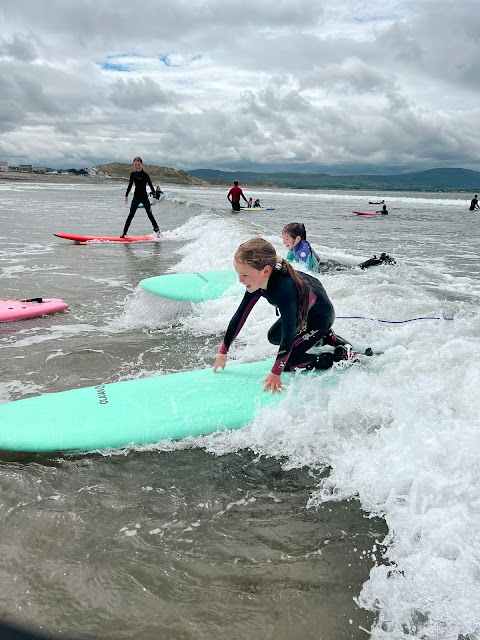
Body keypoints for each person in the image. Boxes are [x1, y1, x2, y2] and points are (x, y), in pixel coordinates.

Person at [213, 238, 353, 394]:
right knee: (273, 337)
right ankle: (326, 338)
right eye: (239, 274)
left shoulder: (284, 289)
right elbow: (240, 316)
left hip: (321, 317)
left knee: (287, 363)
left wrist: (275, 373)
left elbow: (289, 334)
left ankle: (337, 357)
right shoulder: (258, 282)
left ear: (265, 271)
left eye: (244, 275)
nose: (240, 280)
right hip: (305, 312)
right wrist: (223, 351)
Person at [122, 157, 159, 238]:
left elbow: (151, 187)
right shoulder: (133, 174)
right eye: (135, 165)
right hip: (136, 198)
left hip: (144, 198)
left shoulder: (145, 175)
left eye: (138, 165)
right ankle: (124, 233)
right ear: (133, 165)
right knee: (131, 215)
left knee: (150, 215)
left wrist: (154, 196)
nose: (137, 166)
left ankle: (158, 232)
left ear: (142, 165)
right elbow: (130, 185)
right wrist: (126, 195)